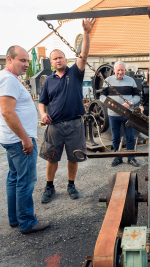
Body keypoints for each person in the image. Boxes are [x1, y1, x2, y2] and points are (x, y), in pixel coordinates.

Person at [0, 45, 50, 234]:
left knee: (14, 178)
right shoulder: (8, 80)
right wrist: (25, 139)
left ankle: (15, 219)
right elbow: (8, 112)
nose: (26, 64)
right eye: (22, 60)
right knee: (25, 181)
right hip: (18, 140)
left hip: (11, 138)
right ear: (10, 59)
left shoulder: (7, 78)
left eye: (27, 60)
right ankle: (26, 222)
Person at [38, 18, 95, 203]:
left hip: (74, 124)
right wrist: (43, 114)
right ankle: (50, 187)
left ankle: (71, 185)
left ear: (65, 59)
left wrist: (86, 33)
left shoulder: (75, 73)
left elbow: (84, 55)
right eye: (54, 58)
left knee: (74, 157)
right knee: (52, 158)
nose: (58, 60)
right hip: (54, 126)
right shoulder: (48, 81)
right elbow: (42, 102)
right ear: (52, 62)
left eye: (60, 57)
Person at [100, 61, 141, 167]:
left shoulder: (131, 80)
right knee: (115, 137)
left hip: (128, 114)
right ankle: (118, 158)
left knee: (130, 137)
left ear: (125, 70)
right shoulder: (108, 81)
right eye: (118, 70)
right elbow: (102, 96)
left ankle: (131, 158)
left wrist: (130, 102)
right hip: (113, 114)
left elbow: (137, 96)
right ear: (114, 70)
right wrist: (110, 103)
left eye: (122, 70)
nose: (120, 72)